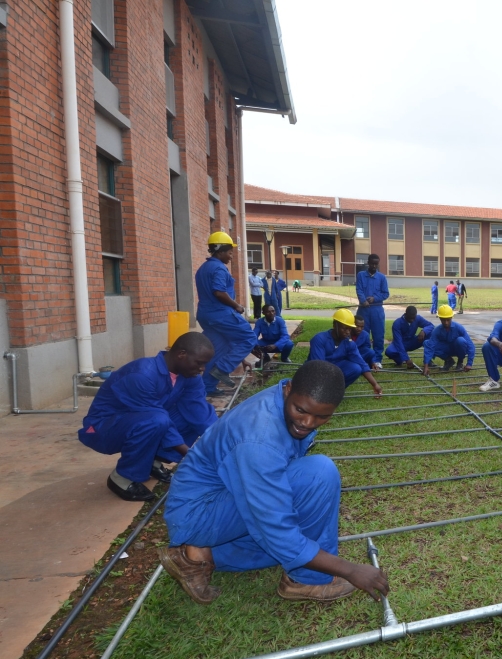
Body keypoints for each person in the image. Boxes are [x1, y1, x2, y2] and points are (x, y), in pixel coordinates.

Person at [159, 361, 390, 604]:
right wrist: (350, 570)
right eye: (301, 410)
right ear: (289, 390)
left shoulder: (284, 401)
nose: (308, 423)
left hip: (220, 499)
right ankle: (306, 580)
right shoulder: (260, 439)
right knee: (318, 475)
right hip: (198, 512)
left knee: (289, 543)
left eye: (322, 416)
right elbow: (276, 527)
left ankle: (198, 557)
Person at [78, 333, 217, 502]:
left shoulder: (189, 376)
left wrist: (220, 441)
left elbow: (198, 410)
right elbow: (157, 419)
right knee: (157, 421)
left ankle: (151, 460)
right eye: (199, 363)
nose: (202, 369)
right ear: (181, 354)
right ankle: (122, 478)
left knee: (191, 415)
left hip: (144, 419)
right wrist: (194, 456)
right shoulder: (142, 374)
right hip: (102, 428)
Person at [196, 232, 256, 396]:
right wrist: (236, 306)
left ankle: (207, 387)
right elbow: (219, 292)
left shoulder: (203, 268)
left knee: (217, 348)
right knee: (249, 338)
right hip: (221, 314)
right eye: (229, 252)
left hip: (205, 315)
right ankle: (222, 369)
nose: (231, 256)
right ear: (220, 250)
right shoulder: (219, 268)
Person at [308, 309, 382, 397]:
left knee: (356, 368)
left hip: (334, 369)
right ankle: (320, 392)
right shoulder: (319, 339)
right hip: (317, 372)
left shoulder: (349, 343)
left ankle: (334, 392)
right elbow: (318, 367)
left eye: (350, 329)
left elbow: (361, 363)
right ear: (335, 325)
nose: (348, 332)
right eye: (345, 328)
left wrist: (375, 384)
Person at [355, 254, 390, 369]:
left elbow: (386, 293)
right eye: (372, 263)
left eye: (376, 264)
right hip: (363, 311)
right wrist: (363, 300)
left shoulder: (382, 277)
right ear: (368, 263)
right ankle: (363, 359)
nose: (374, 266)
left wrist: (375, 298)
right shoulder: (360, 275)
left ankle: (377, 360)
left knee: (378, 335)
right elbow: (359, 289)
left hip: (377, 310)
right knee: (362, 335)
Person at [422, 305, 474, 375]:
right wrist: (426, 366)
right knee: (427, 343)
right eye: (443, 320)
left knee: (461, 341)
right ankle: (448, 360)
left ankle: (460, 362)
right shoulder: (437, 330)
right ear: (439, 318)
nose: (446, 322)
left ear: (451, 318)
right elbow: (430, 346)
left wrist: (469, 363)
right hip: (446, 349)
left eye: (448, 320)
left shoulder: (459, 327)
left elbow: (470, 345)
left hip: (457, 349)